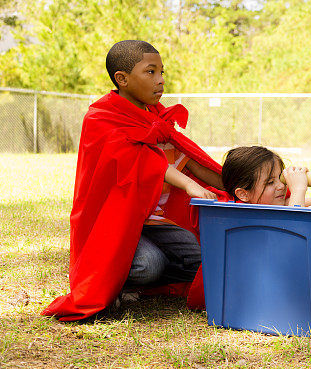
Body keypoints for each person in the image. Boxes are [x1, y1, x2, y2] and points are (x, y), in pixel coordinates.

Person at [42, 40, 224, 321]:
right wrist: (188, 185)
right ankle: (115, 284)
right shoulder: (101, 117)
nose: (161, 81)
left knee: (202, 260)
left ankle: (143, 282)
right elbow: (142, 161)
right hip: (113, 223)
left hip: (152, 221)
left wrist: (248, 182)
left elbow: (196, 165)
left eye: (162, 72)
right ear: (122, 79)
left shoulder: (155, 118)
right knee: (149, 265)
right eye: (151, 72)